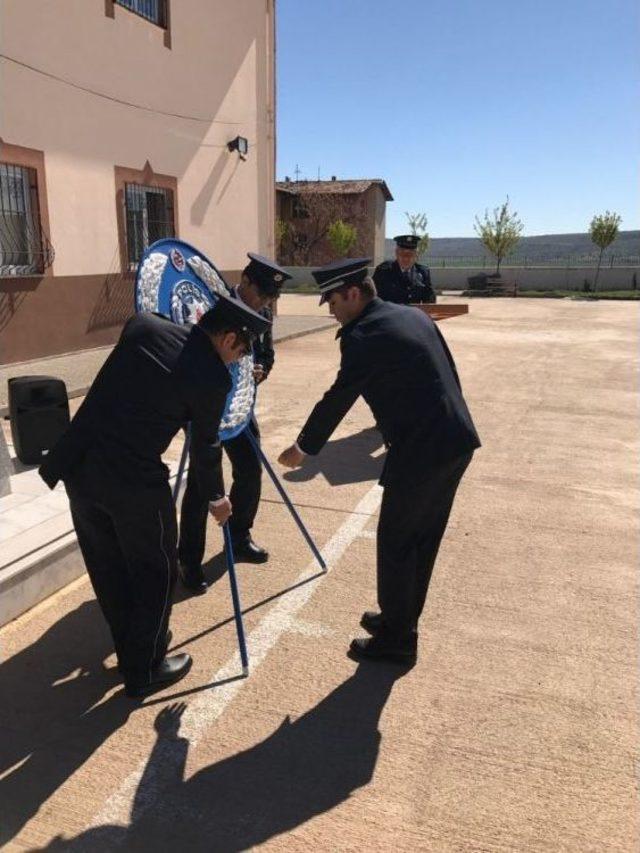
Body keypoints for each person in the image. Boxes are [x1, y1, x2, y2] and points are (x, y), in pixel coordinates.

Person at [39, 294, 271, 697]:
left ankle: (132, 647)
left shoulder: (144, 325)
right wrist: (217, 499)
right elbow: (206, 446)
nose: (238, 360)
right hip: (132, 481)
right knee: (157, 570)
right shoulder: (213, 377)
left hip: (80, 466)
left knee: (108, 566)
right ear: (229, 338)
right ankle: (145, 668)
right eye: (241, 350)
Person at [278, 258, 480, 664]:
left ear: (353, 294)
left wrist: (303, 448)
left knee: (397, 543)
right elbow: (449, 372)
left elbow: (339, 396)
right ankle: (399, 619)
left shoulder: (364, 336)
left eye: (333, 302)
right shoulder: (409, 315)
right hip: (455, 439)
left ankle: (396, 641)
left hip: (422, 451)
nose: (332, 311)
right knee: (421, 540)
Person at [178, 254, 291, 593]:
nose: (266, 303)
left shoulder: (264, 314)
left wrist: (261, 370)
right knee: (202, 483)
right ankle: (189, 561)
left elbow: (266, 354)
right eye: (263, 294)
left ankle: (239, 537)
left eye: (271, 298)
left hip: (240, 408)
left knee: (250, 469)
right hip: (205, 408)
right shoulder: (212, 304)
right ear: (245, 281)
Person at [373, 234, 436, 304]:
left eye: (410, 254)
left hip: (413, 311)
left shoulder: (423, 272)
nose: (406, 258)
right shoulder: (383, 271)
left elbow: (430, 301)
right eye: (402, 253)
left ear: (416, 255)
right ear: (396, 253)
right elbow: (373, 298)